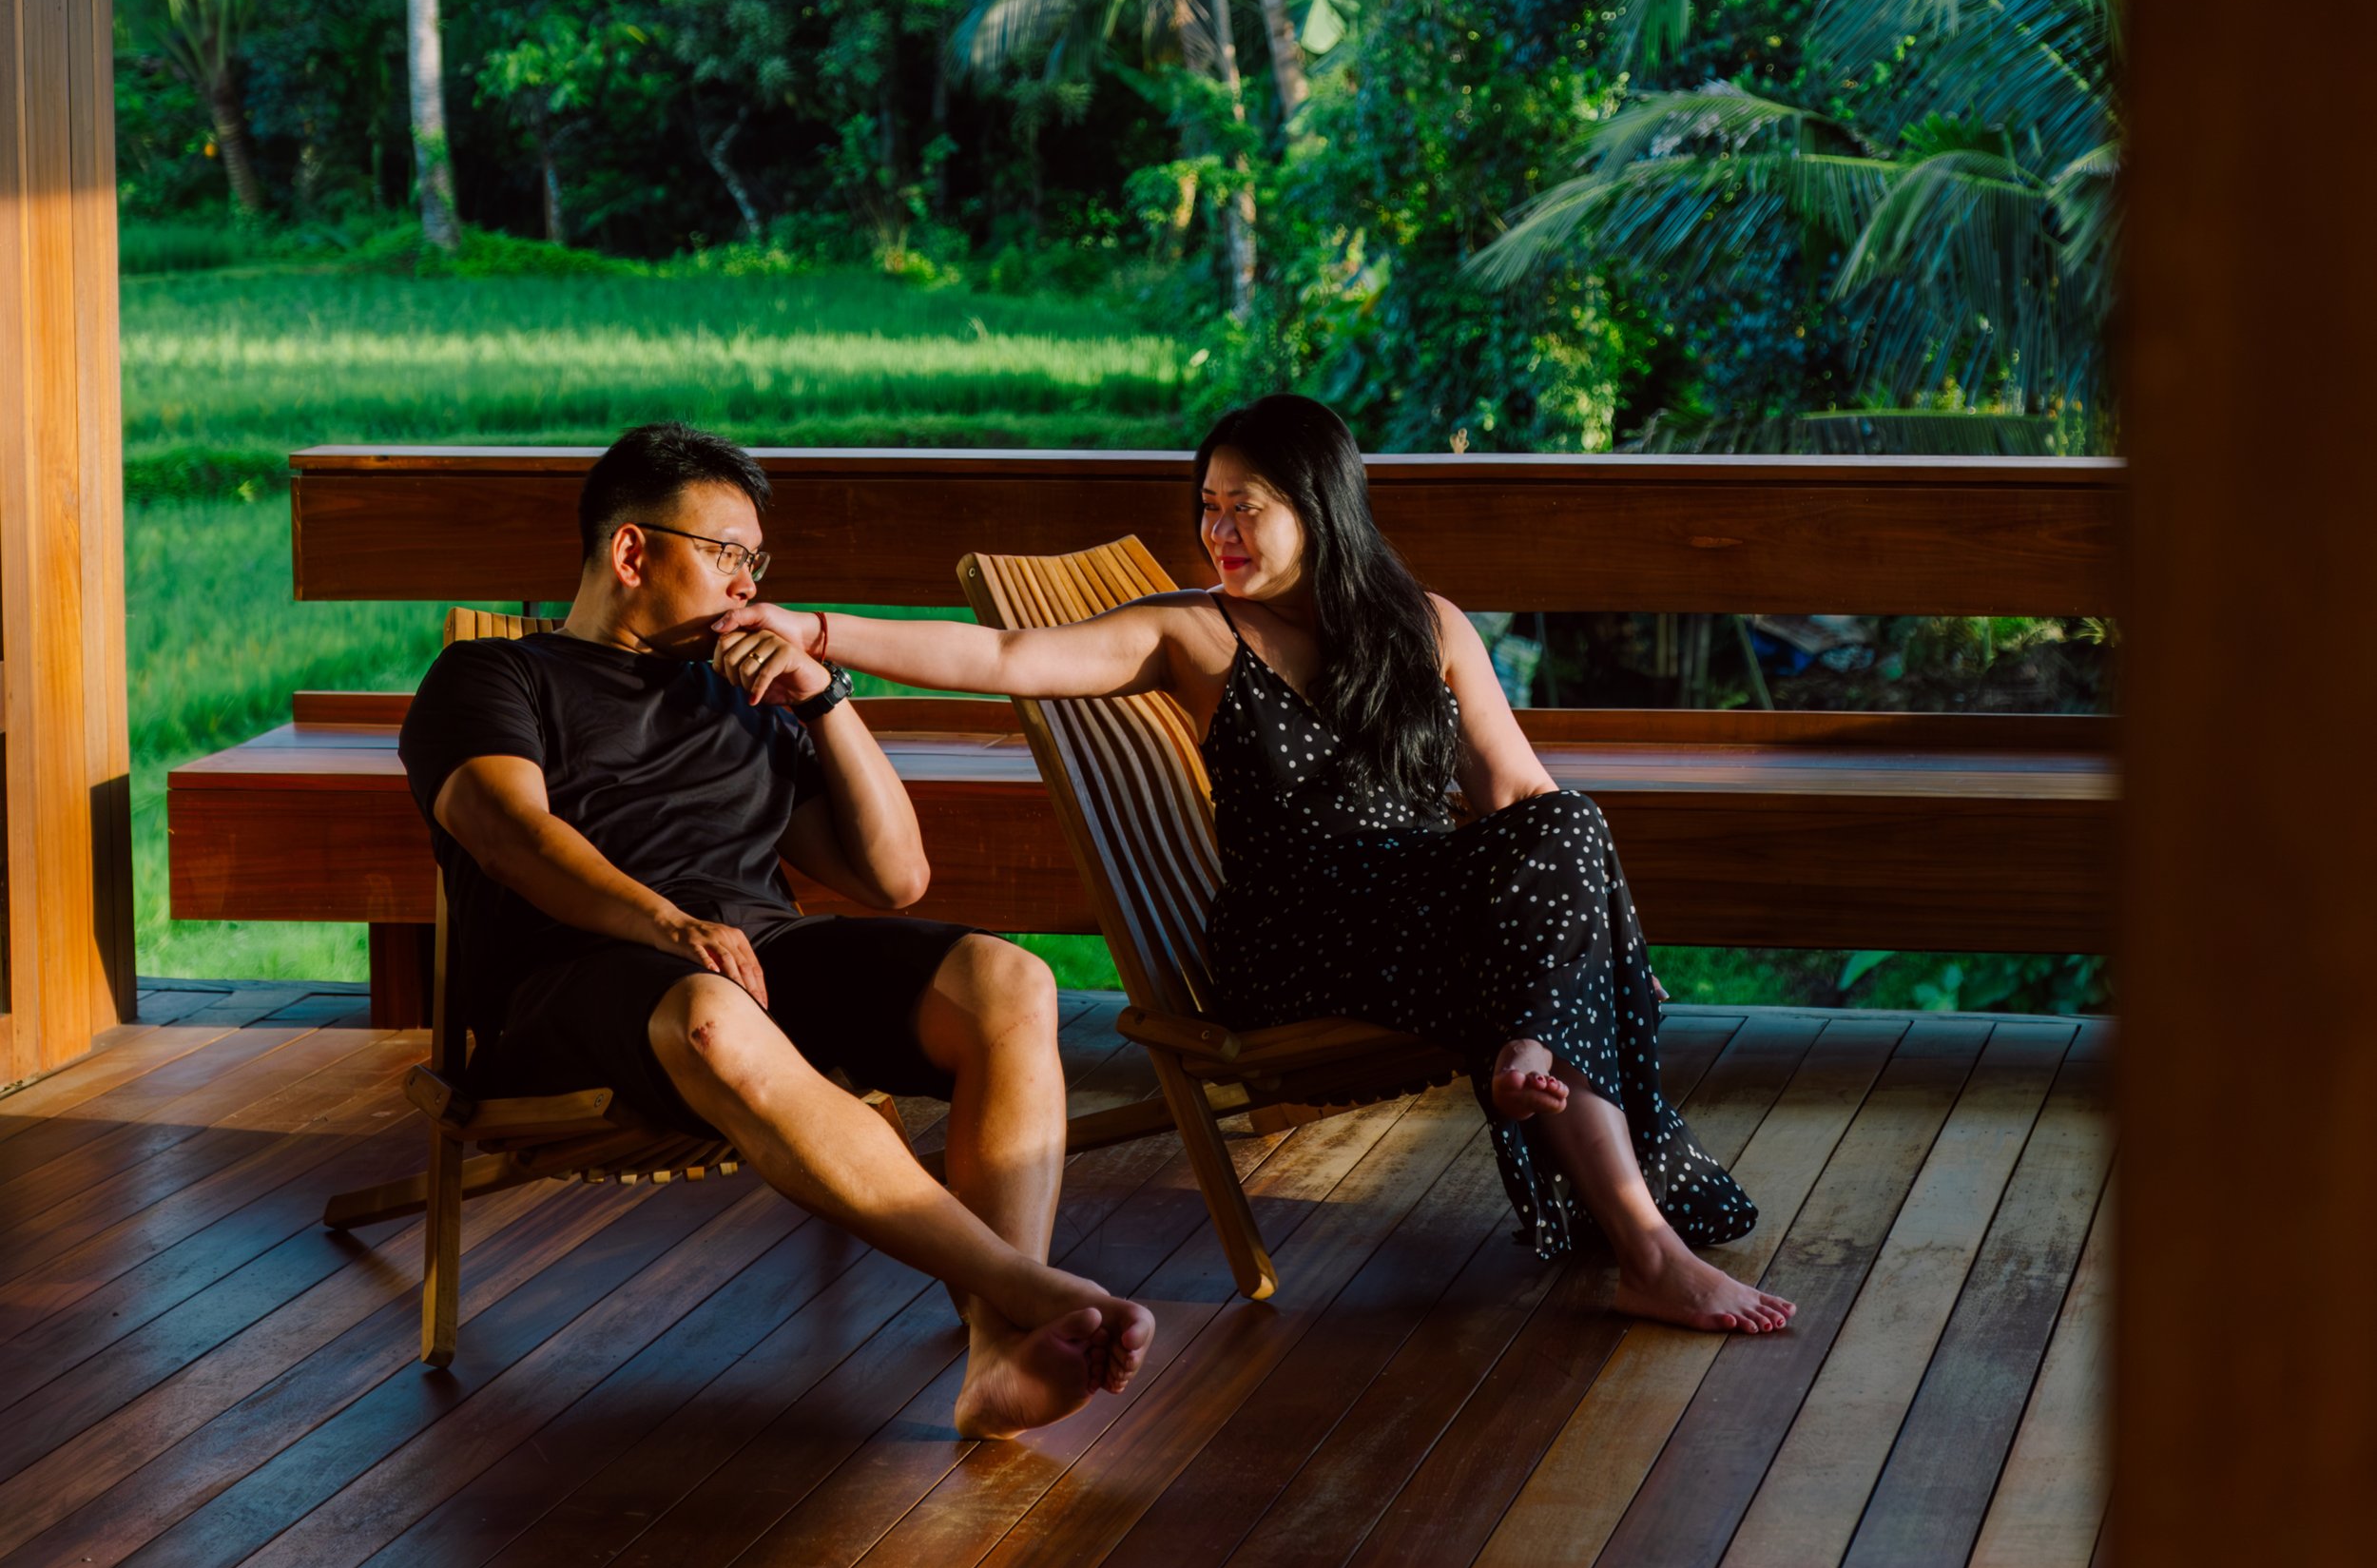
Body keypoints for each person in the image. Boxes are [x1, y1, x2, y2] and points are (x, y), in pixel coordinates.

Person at [725, 392, 1792, 1338]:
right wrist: (819, 630)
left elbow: (1517, 794)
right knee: (1557, 890)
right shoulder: (1194, 635)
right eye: (1208, 505)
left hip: (1423, 920)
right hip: (1292, 939)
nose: (1219, 531)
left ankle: (1630, 1218)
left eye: (1249, 506)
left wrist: (1591, 929)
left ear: (1320, 506)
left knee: (1567, 819)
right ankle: (1618, 1189)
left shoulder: (1428, 629)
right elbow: (1003, 658)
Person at [397, 419, 1153, 1435]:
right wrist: (668, 924)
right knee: (712, 1010)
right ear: (632, 550)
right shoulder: (498, 680)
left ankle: (999, 1338)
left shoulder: (742, 696)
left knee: (1008, 980)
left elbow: (895, 876)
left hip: (755, 961)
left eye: (757, 563)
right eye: (728, 556)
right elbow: (511, 836)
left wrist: (826, 699)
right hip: (578, 980)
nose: (749, 586)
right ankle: (1029, 1288)